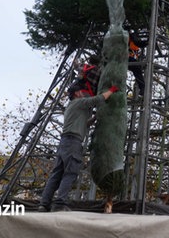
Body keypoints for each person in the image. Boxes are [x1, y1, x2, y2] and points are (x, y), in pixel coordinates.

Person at [38, 76, 118, 212]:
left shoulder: (72, 107)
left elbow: (83, 124)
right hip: (73, 142)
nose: (83, 93)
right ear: (76, 93)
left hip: (65, 142)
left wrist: (94, 119)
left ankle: (44, 204)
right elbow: (97, 100)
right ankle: (60, 203)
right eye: (81, 91)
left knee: (57, 174)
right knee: (70, 173)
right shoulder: (79, 103)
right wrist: (111, 90)